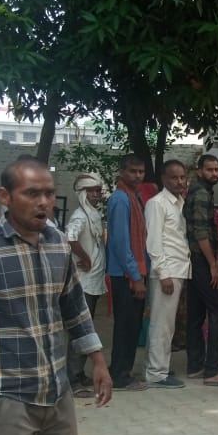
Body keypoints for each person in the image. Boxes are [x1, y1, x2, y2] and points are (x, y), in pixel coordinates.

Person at [0, 157, 112, 435]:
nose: (44, 202)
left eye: (48, 193)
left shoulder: (59, 244)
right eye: (32, 194)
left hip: (57, 391)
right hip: (5, 396)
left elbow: (75, 308)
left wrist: (98, 361)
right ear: (5, 197)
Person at [182, 154, 218, 387]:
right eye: (210, 169)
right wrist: (213, 264)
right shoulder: (201, 193)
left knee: (196, 312)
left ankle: (195, 365)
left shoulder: (198, 191)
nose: (215, 173)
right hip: (202, 260)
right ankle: (212, 369)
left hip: (194, 260)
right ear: (200, 170)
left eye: (217, 169)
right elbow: (202, 232)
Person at [143, 160, 191, 389]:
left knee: (168, 325)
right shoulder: (157, 204)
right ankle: (155, 372)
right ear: (163, 178)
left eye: (182, 177)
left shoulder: (180, 203)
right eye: (174, 177)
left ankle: (160, 366)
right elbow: (153, 242)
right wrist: (163, 274)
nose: (179, 181)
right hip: (167, 271)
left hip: (179, 269)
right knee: (161, 325)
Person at [105, 154, 150, 391]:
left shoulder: (134, 197)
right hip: (124, 274)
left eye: (141, 171)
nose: (137, 176)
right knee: (126, 326)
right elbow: (121, 243)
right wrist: (135, 276)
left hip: (132, 271)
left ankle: (123, 371)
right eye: (133, 171)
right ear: (122, 172)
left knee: (131, 325)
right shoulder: (121, 199)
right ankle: (120, 375)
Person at [65, 173, 106, 398]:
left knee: (86, 328)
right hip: (83, 280)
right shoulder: (80, 215)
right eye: (91, 191)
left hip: (94, 280)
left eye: (98, 191)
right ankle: (72, 378)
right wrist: (84, 257)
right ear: (82, 193)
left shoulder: (93, 214)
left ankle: (78, 373)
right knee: (79, 330)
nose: (96, 195)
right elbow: (70, 237)